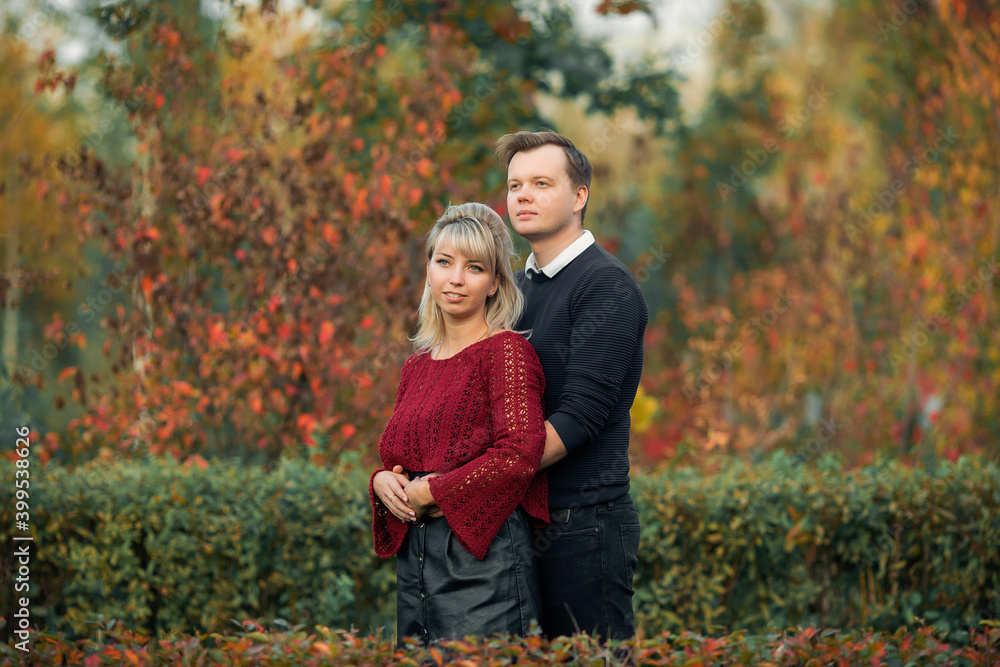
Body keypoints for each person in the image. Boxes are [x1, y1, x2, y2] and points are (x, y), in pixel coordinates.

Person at [369, 202, 549, 646]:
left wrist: (434, 490)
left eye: (474, 268)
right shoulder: (416, 366)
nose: (455, 278)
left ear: (493, 284)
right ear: (429, 270)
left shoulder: (506, 352)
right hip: (418, 566)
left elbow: (520, 454)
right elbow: (400, 460)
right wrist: (381, 483)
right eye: (444, 262)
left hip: (485, 564)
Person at [494, 130, 649, 642]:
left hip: (584, 519)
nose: (523, 196)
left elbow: (581, 415)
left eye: (541, 183)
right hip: (520, 518)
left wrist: (479, 478)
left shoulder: (604, 283)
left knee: (590, 658)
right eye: (515, 184)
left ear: (579, 195)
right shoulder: (515, 290)